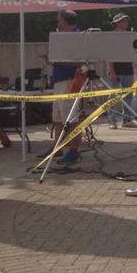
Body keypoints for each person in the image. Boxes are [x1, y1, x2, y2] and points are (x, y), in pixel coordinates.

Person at [50, 9, 83, 165]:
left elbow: (81, 61)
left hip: (69, 81)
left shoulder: (77, 37)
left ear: (64, 21)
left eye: (59, 20)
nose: (57, 23)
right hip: (59, 81)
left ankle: (73, 151)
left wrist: (57, 60)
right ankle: (57, 148)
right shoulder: (61, 36)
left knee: (71, 118)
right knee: (57, 118)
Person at [105, 13, 137, 129]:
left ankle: (127, 119)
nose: (125, 23)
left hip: (128, 69)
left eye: (126, 21)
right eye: (123, 21)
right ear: (117, 23)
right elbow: (108, 55)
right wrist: (112, 71)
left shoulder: (129, 36)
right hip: (116, 70)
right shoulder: (112, 37)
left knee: (128, 96)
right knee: (114, 96)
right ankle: (112, 120)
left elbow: (133, 52)